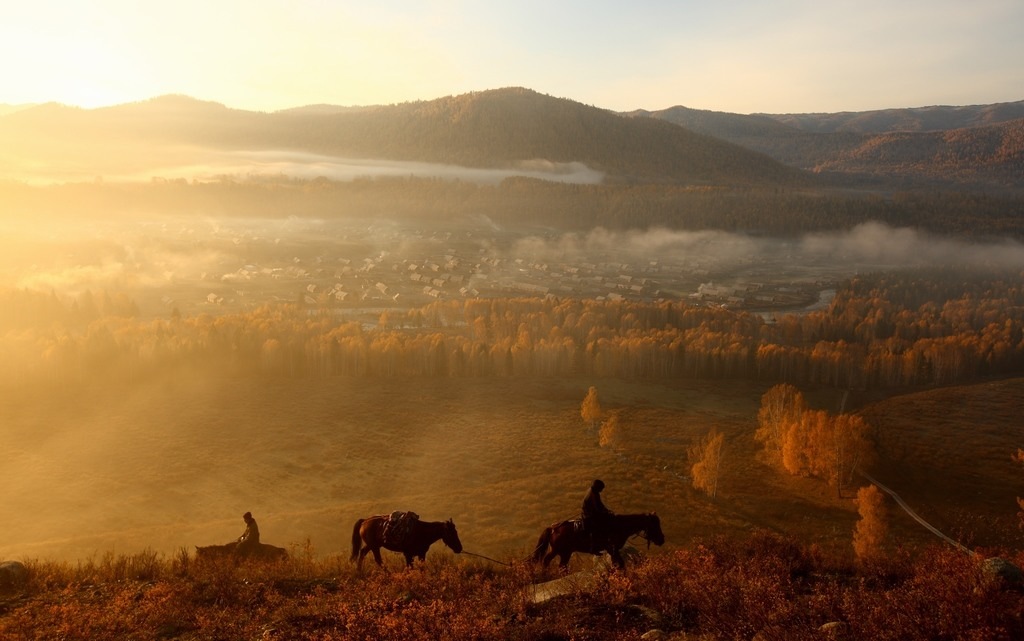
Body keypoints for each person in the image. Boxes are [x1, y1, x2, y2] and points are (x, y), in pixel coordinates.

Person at [581, 479, 614, 550]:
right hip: (589, 514)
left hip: (590, 511)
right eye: (601, 489)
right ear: (597, 487)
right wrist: (605, 512)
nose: (601, 490)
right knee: (600, 526)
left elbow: (600, 504)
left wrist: (606, 510)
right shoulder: (593, 495)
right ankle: (595, 545)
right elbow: (597, 508)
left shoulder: (593, 491)